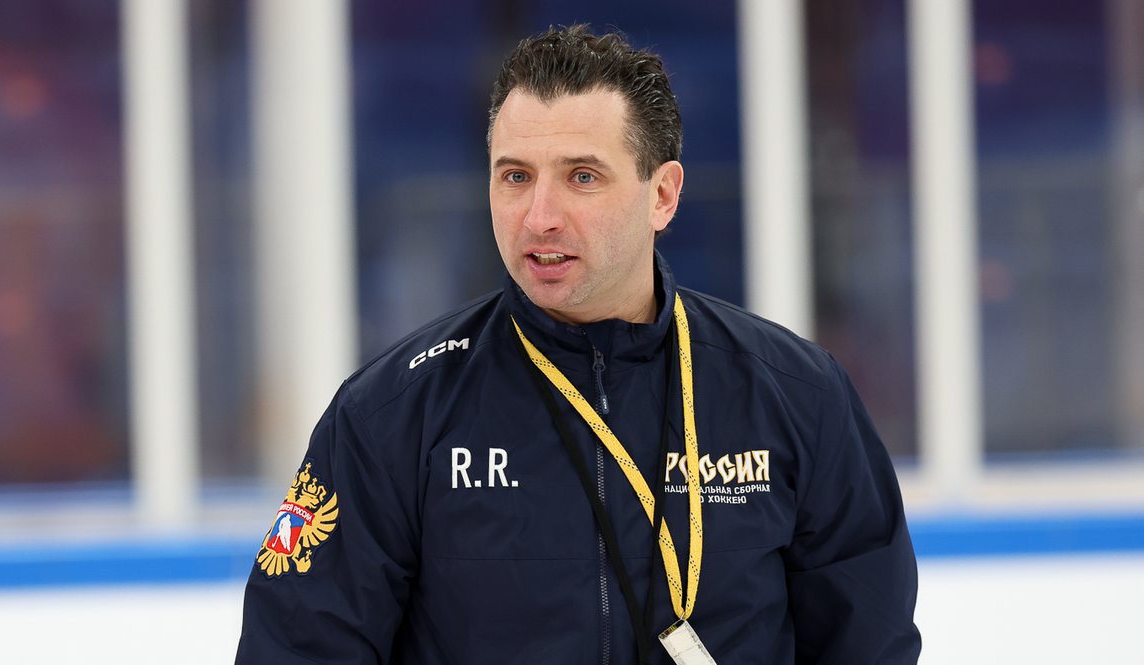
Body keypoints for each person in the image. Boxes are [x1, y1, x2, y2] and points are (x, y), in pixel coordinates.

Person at [236, 24, 920, 665]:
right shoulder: (391, 413)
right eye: (515, 176)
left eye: (582, 176)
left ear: (663, 194)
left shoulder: (797, 396)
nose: (540, 217)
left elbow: (870, 645)